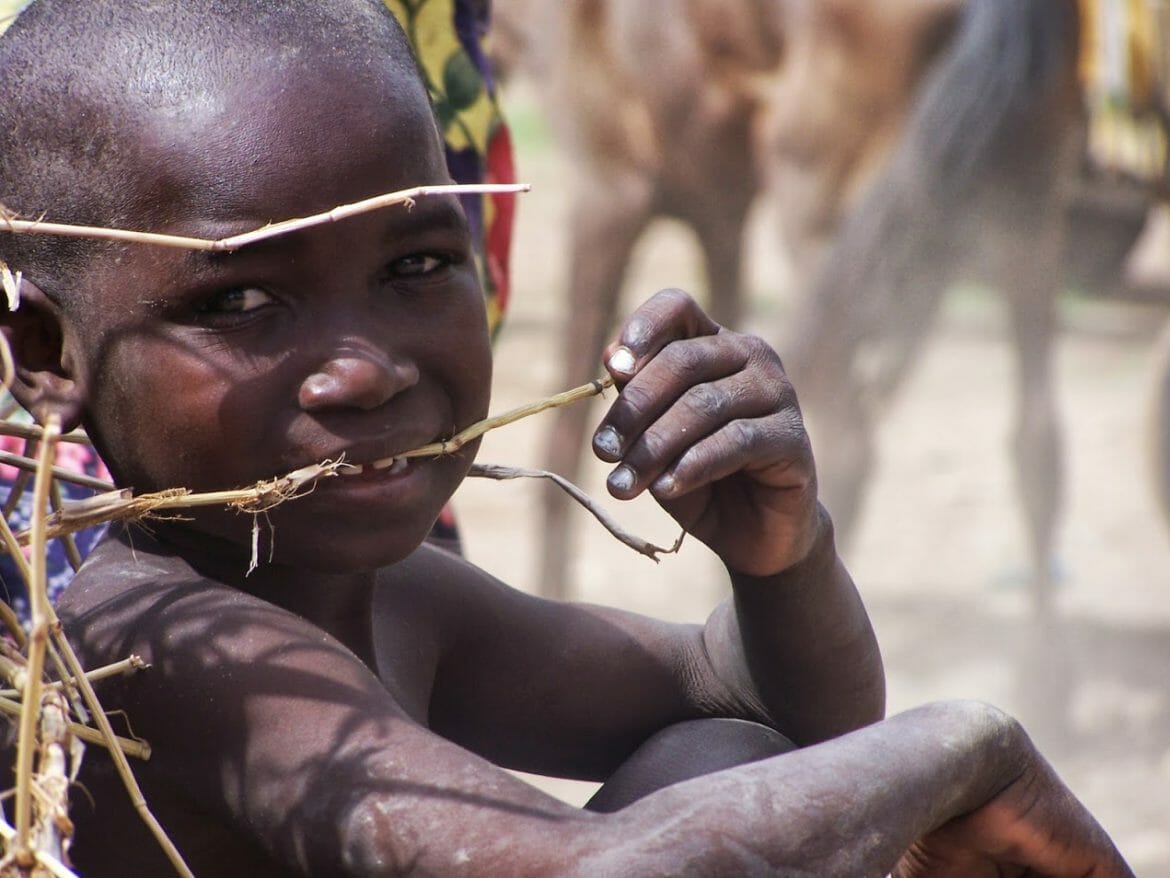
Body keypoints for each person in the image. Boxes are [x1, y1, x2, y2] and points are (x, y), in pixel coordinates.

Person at [0, 2, 1132, 876]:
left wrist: (784, 554)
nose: (369, 367)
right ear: (48, 355)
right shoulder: (167, 641)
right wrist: (970, 744)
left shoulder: (391, 594)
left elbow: (755, 702)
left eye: (415, 265)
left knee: (719, 758)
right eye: (241, 302)